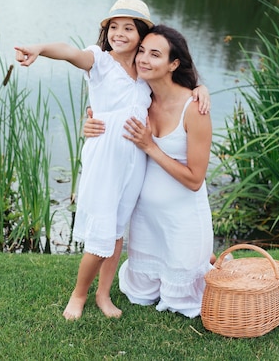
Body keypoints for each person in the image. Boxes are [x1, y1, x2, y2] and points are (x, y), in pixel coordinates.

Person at [14, 0, 209, 320]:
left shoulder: (144, 71)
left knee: (118, 232)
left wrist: (201, 87)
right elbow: (69, 51)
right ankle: (78, 296)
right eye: (113, 27)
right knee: (101, 233)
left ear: (142, 36)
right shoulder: (100, 62)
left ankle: (103, 295)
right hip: (105, 160)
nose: (119, 33)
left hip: (135, 162)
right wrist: (39, 47)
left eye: (128, 28)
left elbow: (173, 80)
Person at [85, 24, 214, 318]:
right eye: (142, 51)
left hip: (182, 219)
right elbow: (108, 111)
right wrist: (91, 124)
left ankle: (204, 260)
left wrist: (151, 146)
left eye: (155, 55)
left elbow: (195, 180)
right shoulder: (142, 97)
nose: (143, 59)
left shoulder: (194, 108)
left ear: (174, 64)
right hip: (145, 220)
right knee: (139, 295)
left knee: (183, 302)